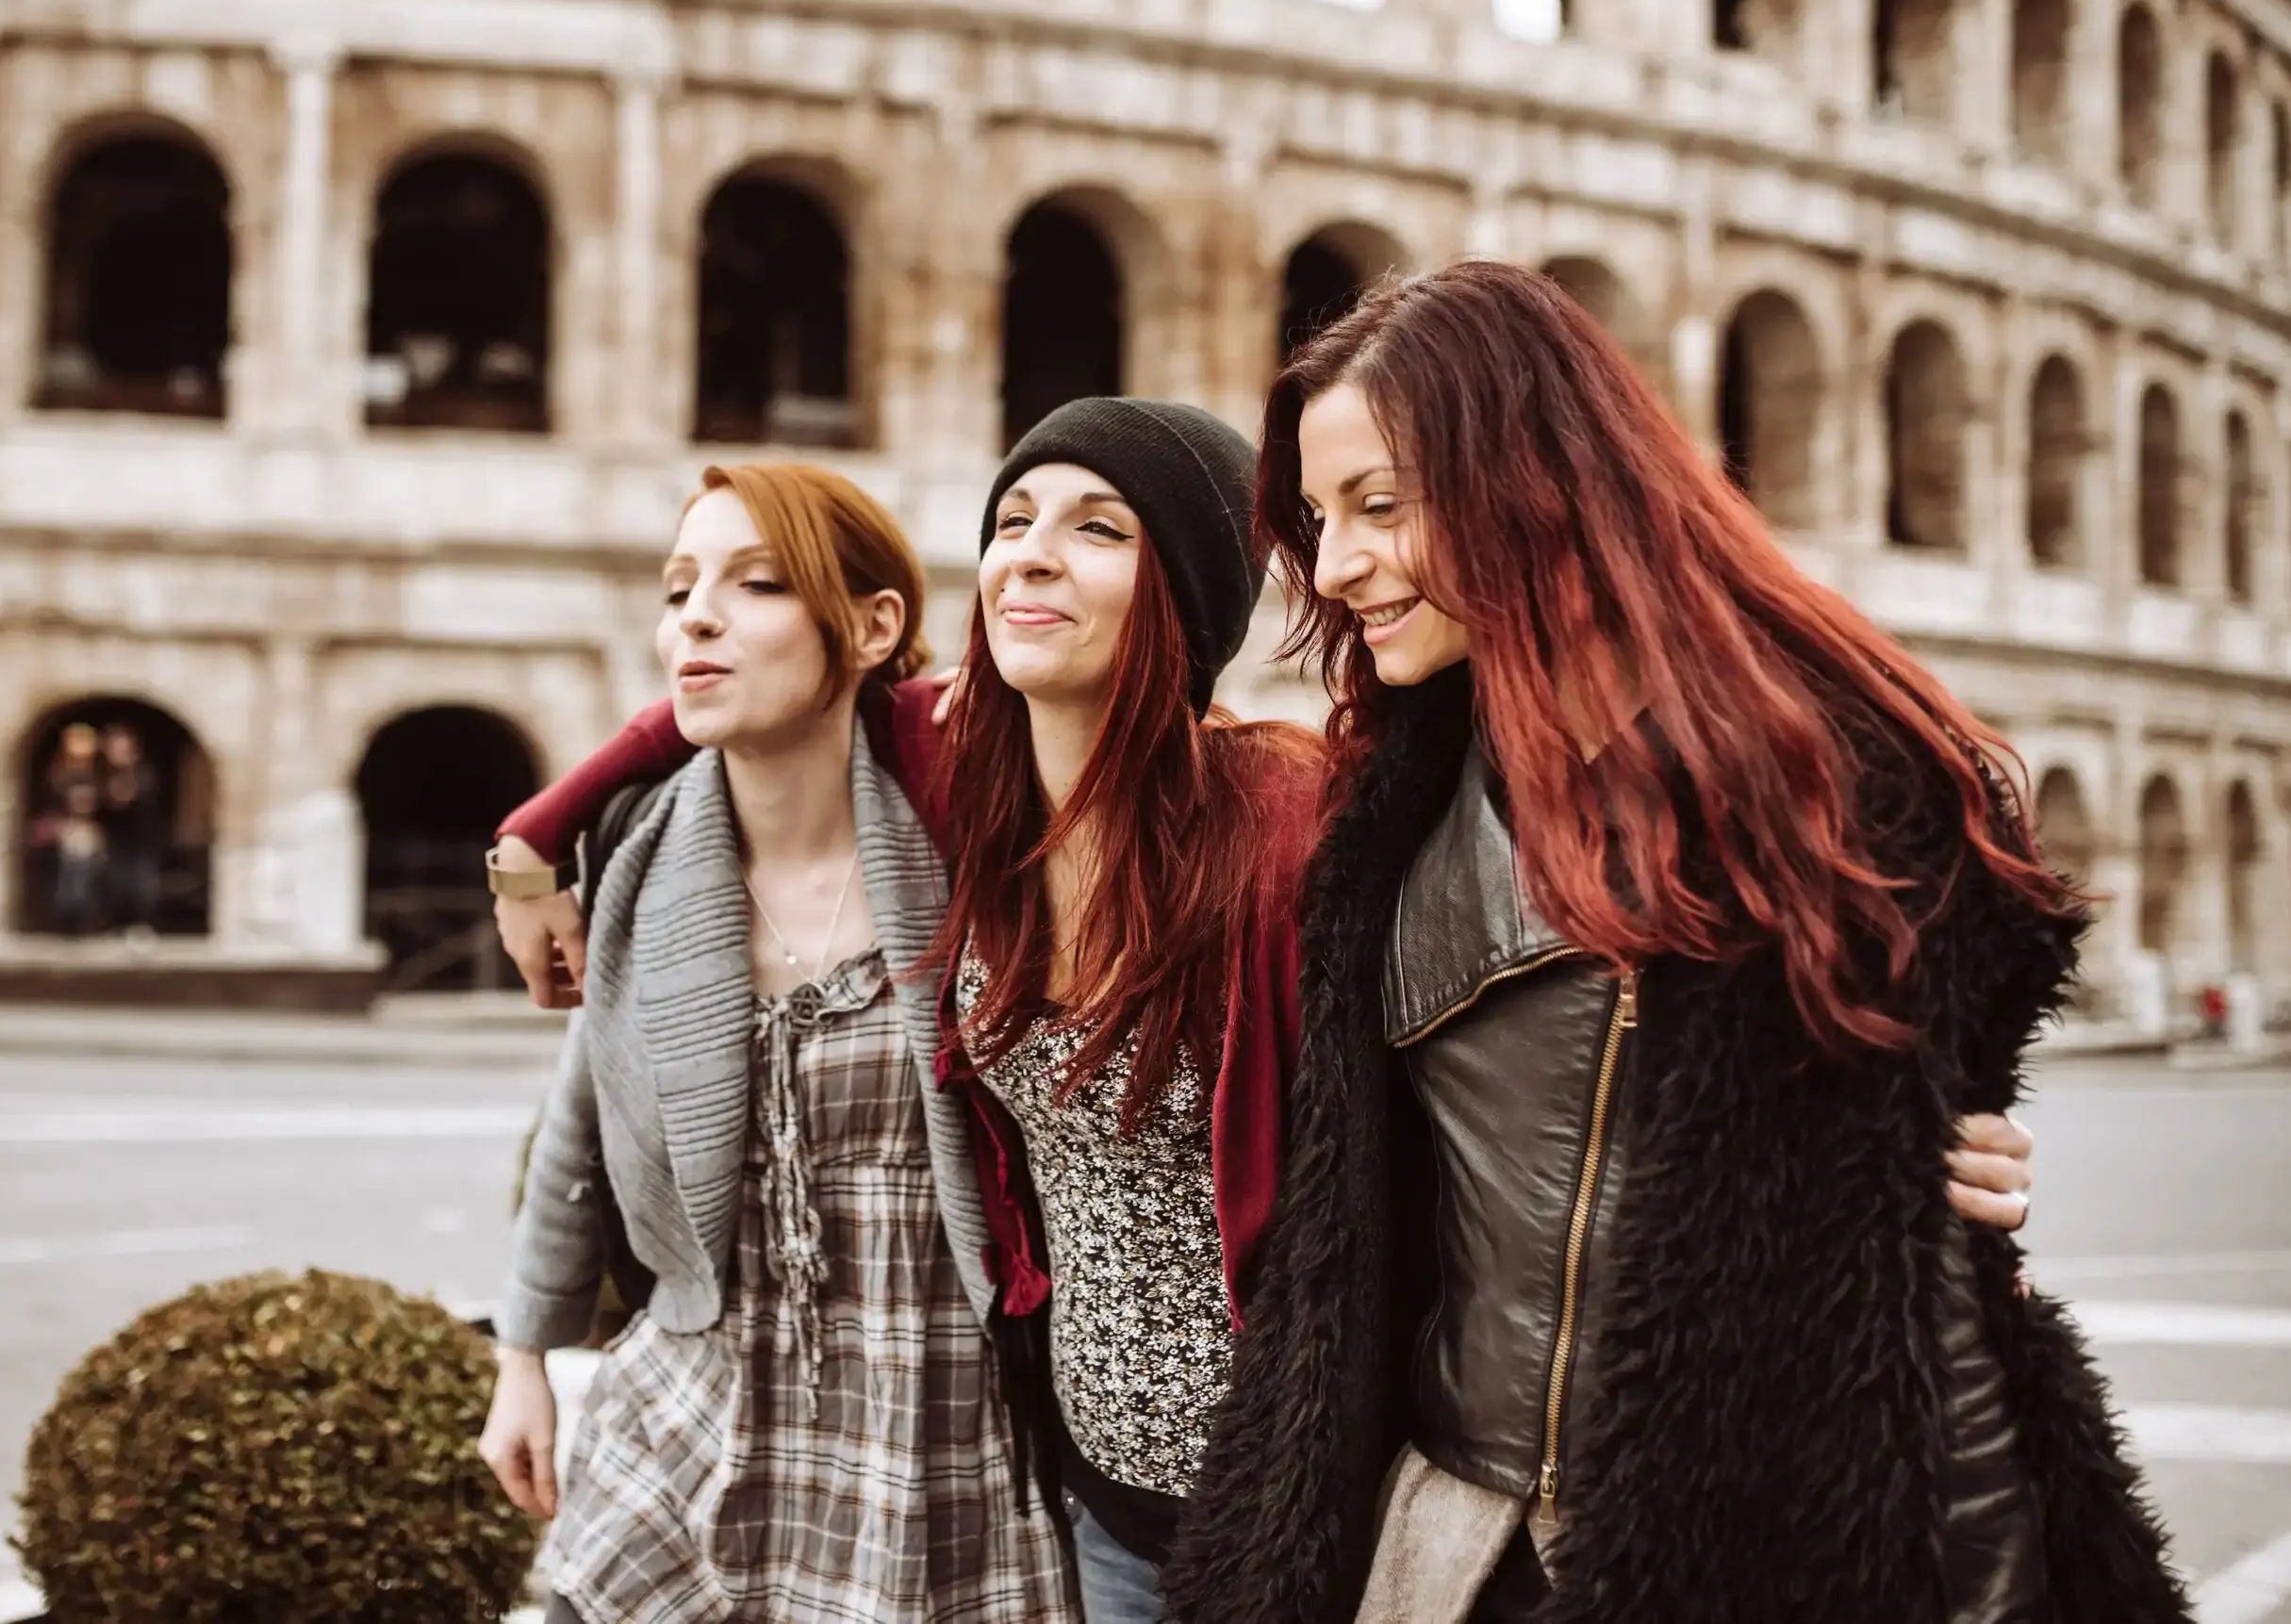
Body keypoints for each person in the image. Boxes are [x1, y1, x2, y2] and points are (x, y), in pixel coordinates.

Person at [496, 400, 2043, 1624]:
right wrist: (539, 834)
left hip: (1295, 1495)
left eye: (1094, 529)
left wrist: (1875, 1134)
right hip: (1086, 1488)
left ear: (1183, 593)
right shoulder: (958, 786)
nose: (1029, 554)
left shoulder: (1294, 818)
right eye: (1012, 521)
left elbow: (1535, 1034)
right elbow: (741, 676)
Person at [1162, 263, 2182, 1624]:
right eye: (1316, 517)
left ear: (1531, 478)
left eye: (1379, 507)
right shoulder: (1391, 806)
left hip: (1726, 1555)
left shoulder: (1830, 807)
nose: (1335, 567)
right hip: (1443, 1549)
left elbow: (1914, 1331)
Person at [478, 463, 1075, 1624]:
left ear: (870, 625)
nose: (695, 615)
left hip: (939, 1425)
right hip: (694, 1403)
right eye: (677, 587)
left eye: (755, 584)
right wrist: (523, 1360)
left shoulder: (969, 823)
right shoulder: (643, 853)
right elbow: (580, 1121)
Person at [38, 723, 106, 937]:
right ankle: (63, 923)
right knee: (65, 882)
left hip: (89, 833)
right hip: (65, 833)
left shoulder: (98, 775)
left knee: (87, 879)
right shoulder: (57, 775)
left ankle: (86, 923)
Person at [95, 724, 161, 936]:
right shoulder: (101, 775)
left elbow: (138, 798)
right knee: (112, 881)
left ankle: (138, 924)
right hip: (112, 839)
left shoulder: (143, 773)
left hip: (140, 839)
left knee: (140, 883)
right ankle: (112, 924)